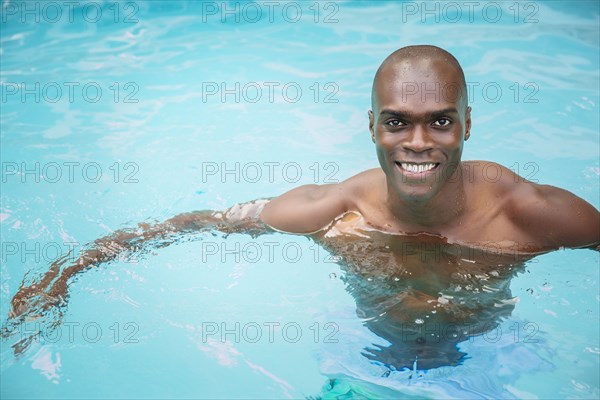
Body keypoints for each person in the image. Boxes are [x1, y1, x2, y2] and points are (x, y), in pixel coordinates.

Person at [4, 45, 599, 369]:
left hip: (496, 356)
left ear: (467, 124)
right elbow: (192, 223)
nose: (417, 143)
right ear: (372, 127)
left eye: (439, 122)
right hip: (364, 353)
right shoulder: (335, 211)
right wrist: (62, 275)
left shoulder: (533, 215)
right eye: (397, 123)